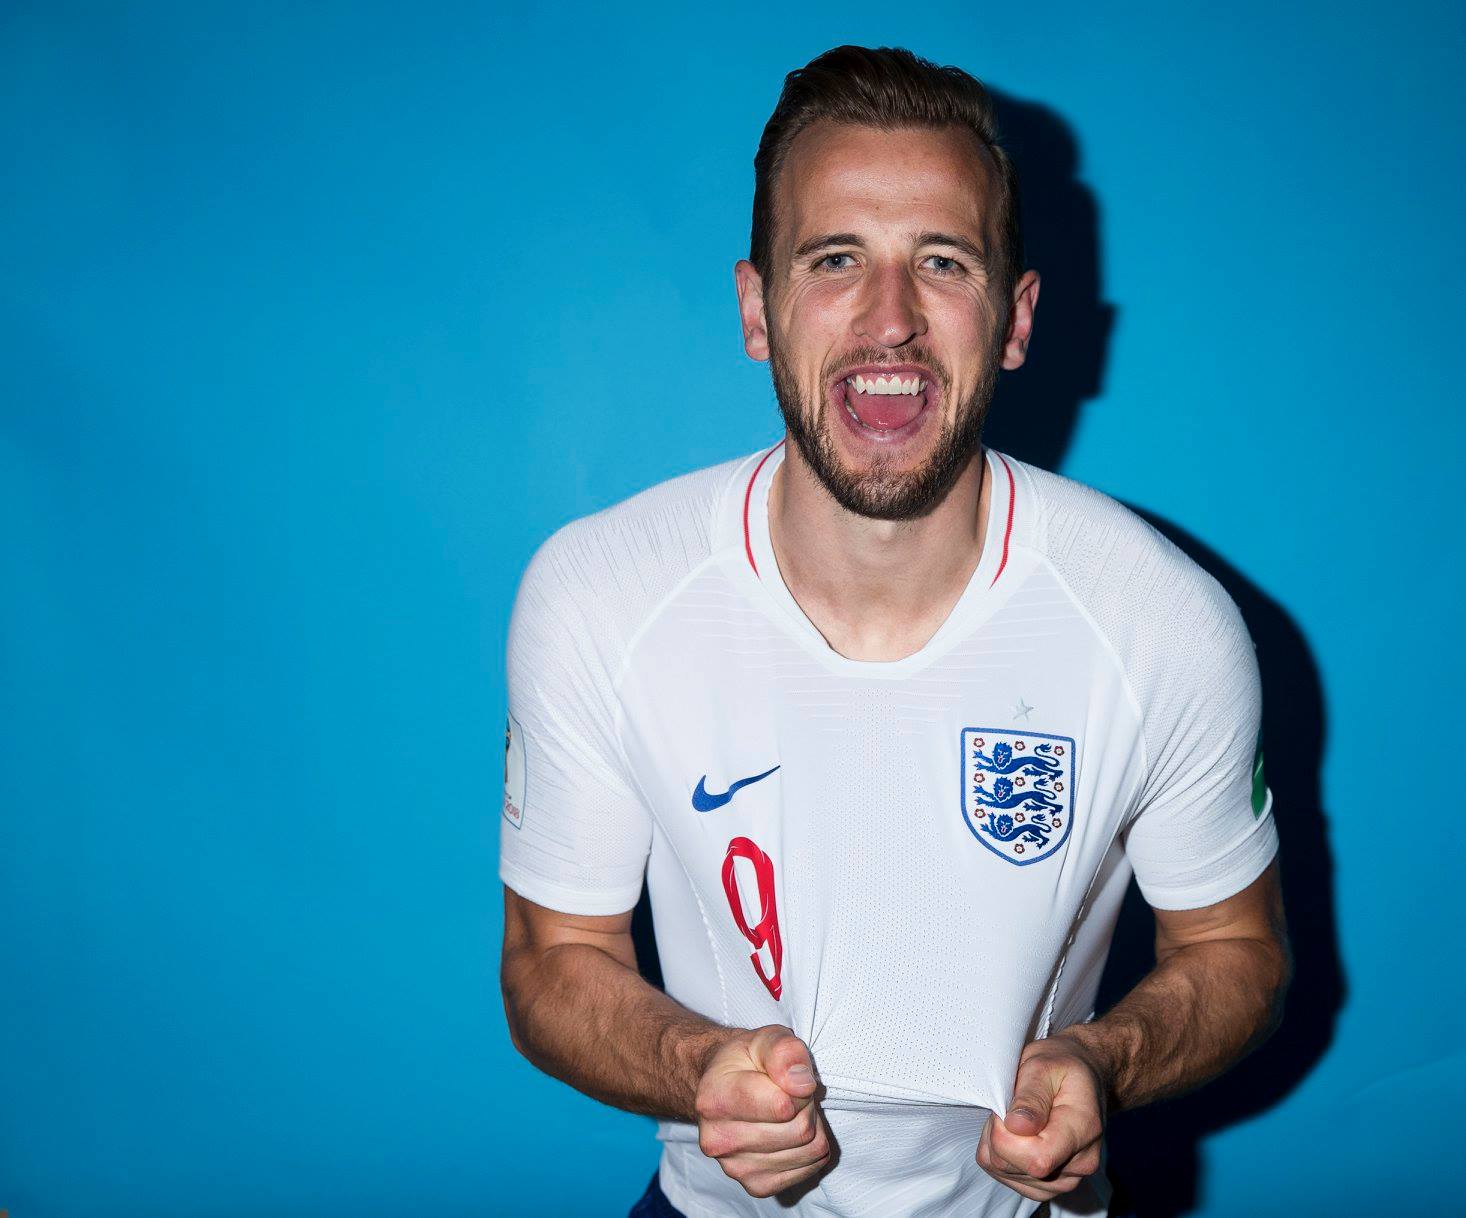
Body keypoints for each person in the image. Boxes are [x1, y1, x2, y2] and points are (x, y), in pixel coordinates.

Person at [497, 44, 1290, 1218]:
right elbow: (552, 957)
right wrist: (694, 1067)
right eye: (834, 260)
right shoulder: (602, 594)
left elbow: (1234, 947)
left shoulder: (1161, 622)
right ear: (757, 310)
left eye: (941, 262)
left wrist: (1104, 1062)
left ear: (1014, 319)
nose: (890, 319)